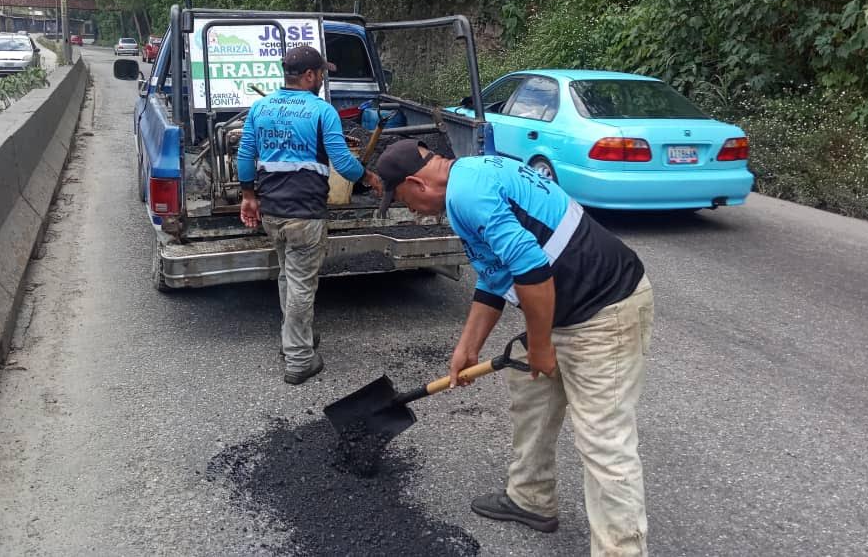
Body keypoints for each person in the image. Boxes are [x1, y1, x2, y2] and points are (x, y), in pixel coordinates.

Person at [375, 140, 653, 556]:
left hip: (604, 308)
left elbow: (530, 268)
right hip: (561, 305)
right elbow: (495, 275)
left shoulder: (466, 194)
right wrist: (467, 347)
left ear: (417, 183)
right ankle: (531, 498)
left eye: (404, 201)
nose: (413, 213)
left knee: (604, 440)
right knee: (532, 401)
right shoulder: (472, 174)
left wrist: (541, 346)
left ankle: (621, 551)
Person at [237, 45, 382, 385]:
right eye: (321, 73)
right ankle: (300, 359)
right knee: (301, 284)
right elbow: (344, 164)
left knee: (288, 277)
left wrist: (248, 196)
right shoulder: (321, 111)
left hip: (272, 211)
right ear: (308, 75)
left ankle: (294, 340)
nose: (322, 79)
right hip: (305, 213)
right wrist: (369, 176)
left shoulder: (261, 108)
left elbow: (245, 157)